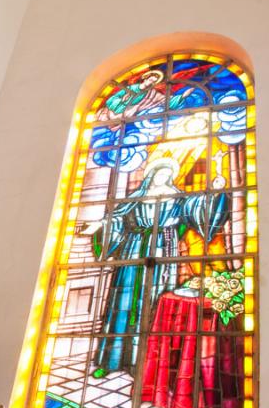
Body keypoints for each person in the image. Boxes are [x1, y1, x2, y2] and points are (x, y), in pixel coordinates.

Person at [90, 157, 228, 375]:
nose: (162, 177)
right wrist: (101, 224)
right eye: (159, 174)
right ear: (151, 176)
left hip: (164, 253)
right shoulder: (136, 199)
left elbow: (200, 209)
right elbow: (116, 219)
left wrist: (217, 191)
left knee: (155, 302)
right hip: (133, 253)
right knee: (123, 303)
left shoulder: (178, 199)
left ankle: (145, 364)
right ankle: (112, 360)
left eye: (167, 174)